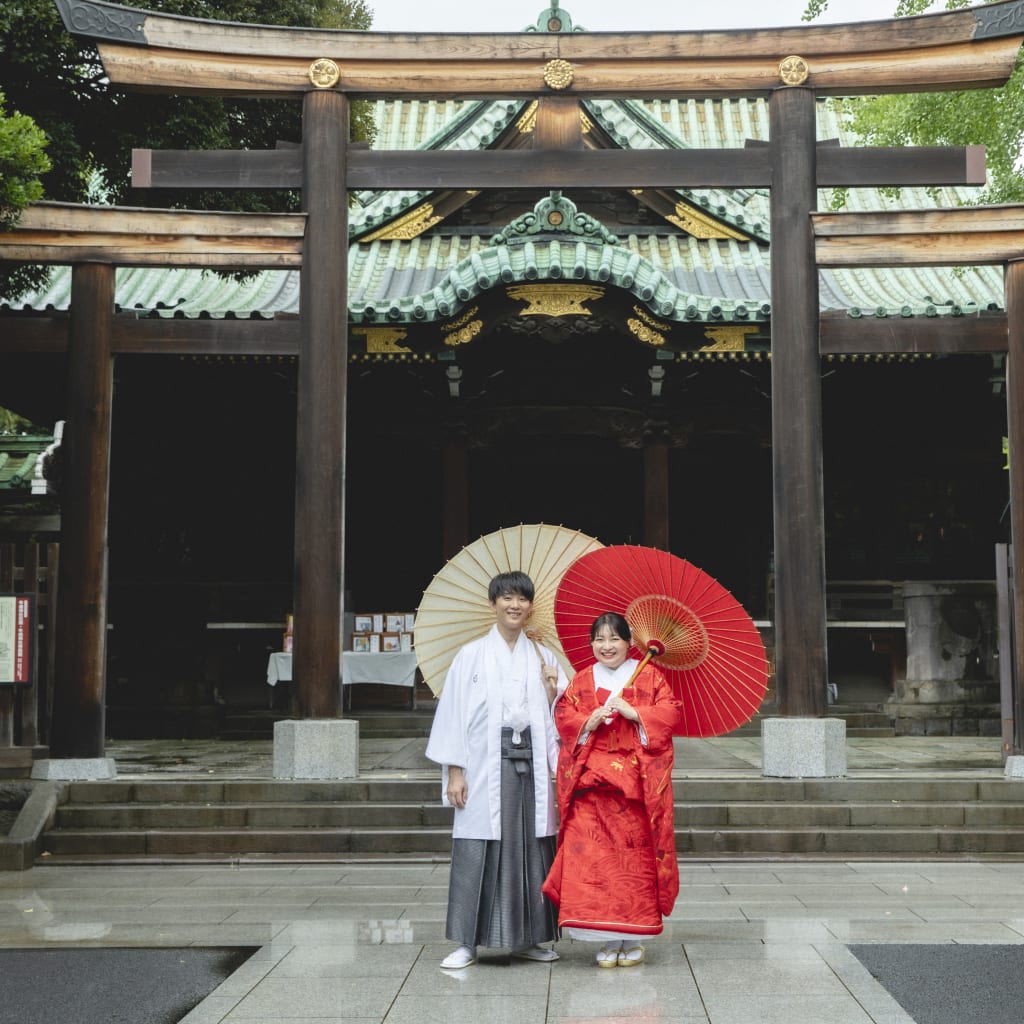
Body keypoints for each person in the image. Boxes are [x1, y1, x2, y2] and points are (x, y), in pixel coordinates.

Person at [425, 570, 568, 970]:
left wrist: (554, 692)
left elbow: (566, 718)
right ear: (492, 604)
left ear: (530, 606)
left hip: (532, 768)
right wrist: (455, 772)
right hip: (485, 765)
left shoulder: (544, 657)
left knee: (532, 849)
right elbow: (452, 716)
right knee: (478, 848)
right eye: (506, 598)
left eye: (522, 599)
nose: (514, 605)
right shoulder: (470, 655)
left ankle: (529, 938)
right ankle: (467, 943)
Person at [542, 612, 682, 967]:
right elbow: (564, 715)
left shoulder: (649, 675)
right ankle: (604, 938)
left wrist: (635, 713)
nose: (606, 646)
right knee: (592, 863)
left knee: (632, 864)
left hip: (633, 789)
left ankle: (632, 936)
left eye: (614, 639)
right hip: (591, 789)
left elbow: (670, 713)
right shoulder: (582, 679)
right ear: (591, 644)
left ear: (628, 643)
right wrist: (587, 722)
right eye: (599, 639)